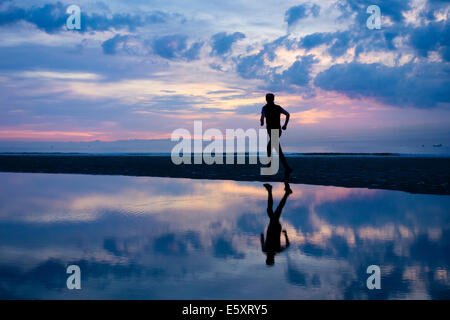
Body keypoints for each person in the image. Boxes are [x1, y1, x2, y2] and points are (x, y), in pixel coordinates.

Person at [260, 93, 292, 177]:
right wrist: (262, 120)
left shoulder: (271, 108)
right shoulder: (269, 108)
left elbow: (287, 114)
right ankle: (287, 168)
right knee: (277, 150)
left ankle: (270, 166)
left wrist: (285, 125)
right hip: (274, 131)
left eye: (268, 98)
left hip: (276, 131)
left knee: (270, 148)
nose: (268, 100)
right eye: (268, 98)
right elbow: (287, 114)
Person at [261, 182, 293, 266]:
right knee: (277, 209)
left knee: (270, 210)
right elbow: (287, 245)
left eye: (268, 258)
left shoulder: (265, 250)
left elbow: (262, 242)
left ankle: (273, 191)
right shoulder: (277, 250)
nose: (269, 257)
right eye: (270, 258)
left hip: (271, 227)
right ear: (272, 259)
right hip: (276, 227)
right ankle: (284, 193)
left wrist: (262, 237)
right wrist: (285, 235)